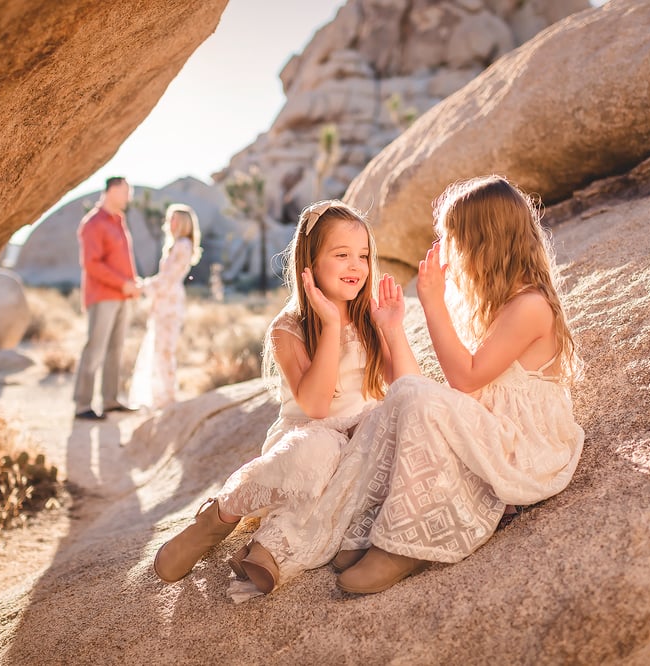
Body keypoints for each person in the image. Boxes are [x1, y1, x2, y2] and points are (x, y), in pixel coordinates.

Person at [332, 175, 585, 594]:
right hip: (494, 432)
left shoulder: (531, 306)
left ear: (484, 242)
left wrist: (432, 304)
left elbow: (463, 380)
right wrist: (392, 330)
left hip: (523, 448)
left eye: (453, 240)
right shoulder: (500, 306)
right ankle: (367, 522)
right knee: (400, 399)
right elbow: (418, 393)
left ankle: (404, 543)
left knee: (416, 397)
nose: (448, 252)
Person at [152, 200, 418, 597]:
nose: (356, 266)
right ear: (309, 262)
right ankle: (223, 514)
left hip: (358, 441)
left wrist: (393, 331)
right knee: (321, 451)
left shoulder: (370, 318)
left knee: (366, 456)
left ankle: (266, 550)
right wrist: (329, 324)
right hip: (307, 439)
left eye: (363, 255)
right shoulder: (289, 328)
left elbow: (409, 389)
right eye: (341, 255)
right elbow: (316, 408)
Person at [72, 176, 142, 420]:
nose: (128, 197)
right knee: (95, 348)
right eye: (125, 191)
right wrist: (123, 284)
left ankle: (111, 400)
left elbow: (122, 261)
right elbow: (92, 265)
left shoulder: (119, 221)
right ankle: (82, 405)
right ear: (111, 191)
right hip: (103, 295)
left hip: (123, 296)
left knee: (116, 349)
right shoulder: (93, 223)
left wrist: (132, 283)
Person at [128, 204, 202, 410]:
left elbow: (168, 279)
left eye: (175, 219)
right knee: (160, 349)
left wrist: (143, 286)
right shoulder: (176, 245)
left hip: (169, 303)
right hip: (164, 302)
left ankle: (168, 396)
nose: (171, 223)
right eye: (170, 218)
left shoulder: (183, 245)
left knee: (165, 350)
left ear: (185, 223)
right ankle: (161, 395)